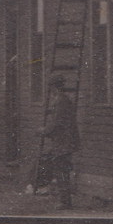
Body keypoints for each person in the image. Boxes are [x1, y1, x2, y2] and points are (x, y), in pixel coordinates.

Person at [41, 76, 79, 209]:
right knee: (61, 170)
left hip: (64, 141)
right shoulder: (61, 100)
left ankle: (65, 202)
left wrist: (44, 131)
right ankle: (65, 200)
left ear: (55, 87)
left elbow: (57, 123)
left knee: (61, 170)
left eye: (51, 87)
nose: (50, 91)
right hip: (63, 140)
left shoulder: (61, 101)